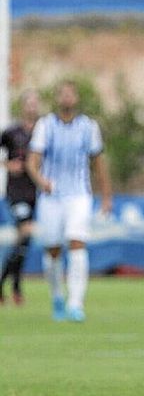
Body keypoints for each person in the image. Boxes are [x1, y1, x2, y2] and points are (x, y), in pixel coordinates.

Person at [25, 81, 112, 322]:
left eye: (70, 94)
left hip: (79, 194)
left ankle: (76, 303)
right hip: (51, 197)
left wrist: (106, 196)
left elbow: (99, 163)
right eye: (62, 94)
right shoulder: (45, 126)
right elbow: (32, 161)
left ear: (76, 98)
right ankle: (56, 297)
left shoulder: (88, 127)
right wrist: (41, 180)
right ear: (57, 98)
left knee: (77, 243)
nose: (66, 98)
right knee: (53, 249)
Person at [0, 90, 42, 305]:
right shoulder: (11, 132)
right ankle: (11, 286)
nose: (32, 107)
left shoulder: (43, 131)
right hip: (16, 193)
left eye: (36, 103)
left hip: (35, 192)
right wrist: (8, 165)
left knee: (23, 242)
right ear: (23, 106)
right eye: (29, 103)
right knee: (25, 234)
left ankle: (12, 286)